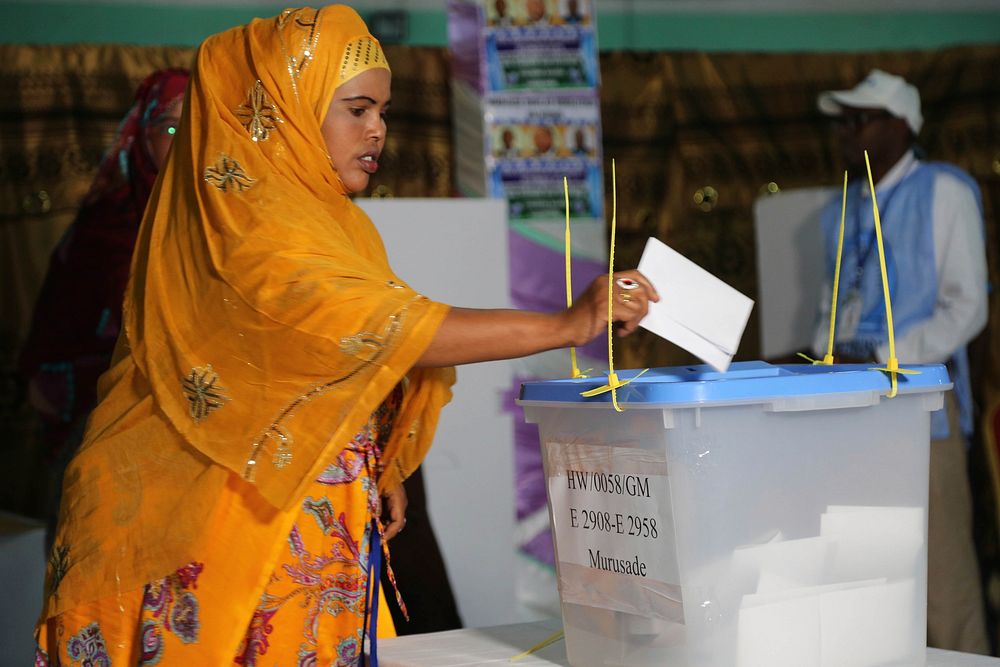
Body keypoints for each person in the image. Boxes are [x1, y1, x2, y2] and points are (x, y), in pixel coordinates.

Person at [33, 6, 657, 665]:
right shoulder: (252, 231)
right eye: (357, 109)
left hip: (306, 524)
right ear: (286, 109)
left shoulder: (331, 224)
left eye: (382, 111)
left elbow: (340, 358)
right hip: (223, 531)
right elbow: (387, 329)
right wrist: (566, 324)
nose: (377, 129)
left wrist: (377, 455)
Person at [811, 69, 989, 654]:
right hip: (852, 413)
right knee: (873, 577)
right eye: (845, 122)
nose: (848, 132)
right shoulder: (846, 207)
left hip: (921, 412)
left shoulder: (943, 189)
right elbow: (830, 309)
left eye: (862, 120)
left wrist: (888, 353)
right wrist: (823, 353)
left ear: (904, 126)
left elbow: (968, 307)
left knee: (944, 582)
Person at [18, 68, 189, 547]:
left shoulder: (223, 220)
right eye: (173, 127)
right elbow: (55, 339)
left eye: (200, 127)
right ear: (144, 135)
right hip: (98, 420)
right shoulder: (107, 227)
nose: (187, 142)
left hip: (191, 429)